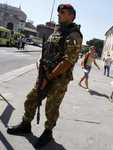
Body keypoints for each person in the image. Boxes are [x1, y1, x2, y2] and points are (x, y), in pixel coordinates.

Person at [7, 4, 83, 149]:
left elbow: (68, 61)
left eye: (63, 12)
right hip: (45, 73)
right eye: (59, 12)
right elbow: (47, 50)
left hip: (59, 78)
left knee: (51, 106)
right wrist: (39, 63)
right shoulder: (57, 31)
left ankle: (48, 133)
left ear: (72, 16)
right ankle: (26, 124)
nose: (59, 14)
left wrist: (50, 76)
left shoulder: (74, 35)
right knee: (32, 98)